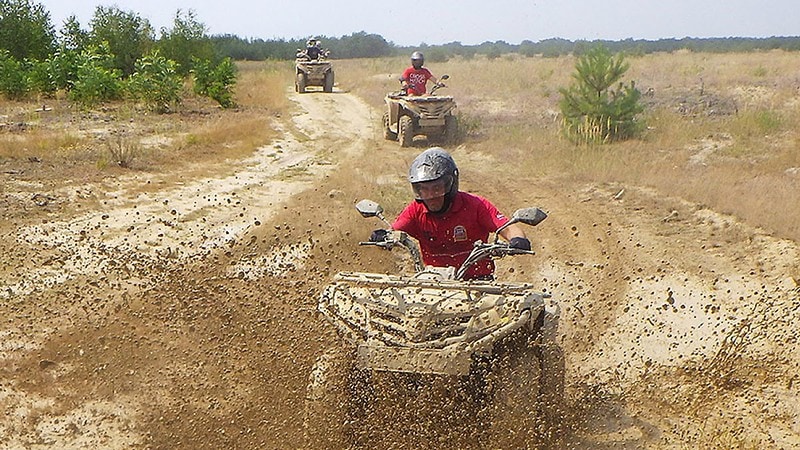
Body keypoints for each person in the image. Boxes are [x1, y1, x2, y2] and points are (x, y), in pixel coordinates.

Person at [370, 147, 531, 280]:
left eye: (436, 188)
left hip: (478, 282)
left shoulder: (476, 205)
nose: (430, 195)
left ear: (450, 184)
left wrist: (517, 239)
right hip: (433, 282)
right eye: (424, 190)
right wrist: (384, 236)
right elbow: (396, 232)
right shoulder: (415, 210)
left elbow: (509, 228)